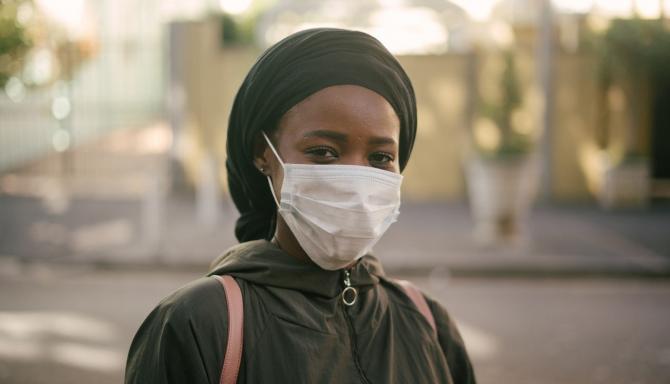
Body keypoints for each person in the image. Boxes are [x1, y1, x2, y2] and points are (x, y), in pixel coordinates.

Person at [125, 27, 476, 384]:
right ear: (264, 154)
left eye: (380, 157)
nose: (355, 183)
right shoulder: (199, 324)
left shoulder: (428, 324)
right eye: (324, 152)